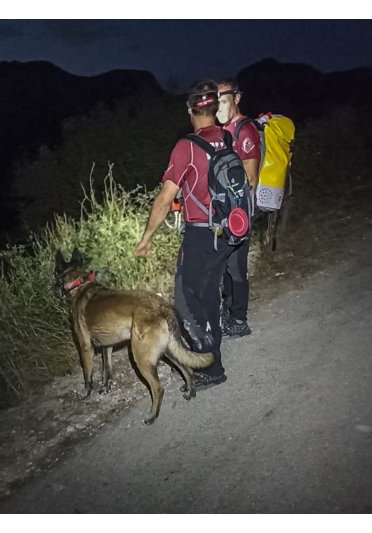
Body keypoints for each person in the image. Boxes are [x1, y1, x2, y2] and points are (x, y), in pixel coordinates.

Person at [133, 80, 231, 390]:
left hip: (201, 234)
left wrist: (146, 238)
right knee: (208, 296)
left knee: (187, 301)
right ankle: (212, 354)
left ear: (190, 110)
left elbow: (165, 199)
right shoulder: (226, 138)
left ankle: (209, 367)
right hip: (226, 231)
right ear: (213, 109)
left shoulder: (186, 146)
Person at [216, 79, 262, 338]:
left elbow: (251, 177)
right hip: (225, 212)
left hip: (240, 211)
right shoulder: (223, 132)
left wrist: (237, 211)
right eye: (216, 102)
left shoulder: (245, 130)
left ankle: (239, 320)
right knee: (225, 267)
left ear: (237, 98)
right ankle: (228, 314)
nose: (219, 107)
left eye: (223, 100)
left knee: (236, 268)